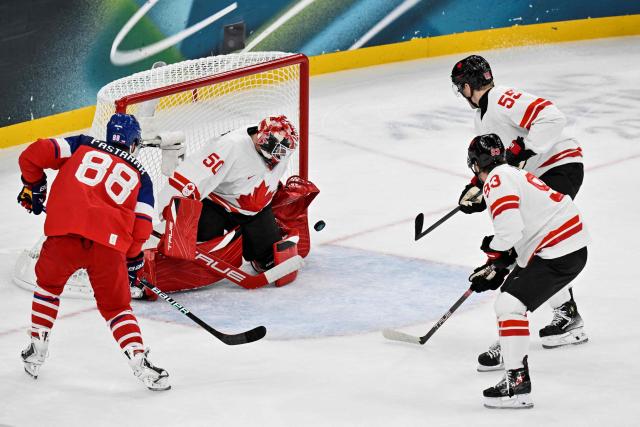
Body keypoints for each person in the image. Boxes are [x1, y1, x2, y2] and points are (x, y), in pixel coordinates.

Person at [451, 55, 587, 370]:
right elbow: (497, 160)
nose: (461, 93)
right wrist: (477, 186)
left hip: (558, 167)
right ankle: (560, 315)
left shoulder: (500, 99)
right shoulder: (482, 118)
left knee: (529, 243)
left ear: (469, 86)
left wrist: (527, 150)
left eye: (461, 88)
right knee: (532, 244)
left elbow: (552, 117)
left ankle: (518, 321)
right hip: (539, 176)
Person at [17, 113, 170, 391]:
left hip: (63, 236)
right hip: (108, 248)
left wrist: (35, 186)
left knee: (48, 287)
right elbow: (141, 230)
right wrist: (133, 260)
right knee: (116, 308)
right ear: (134, 144)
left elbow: (32, 155)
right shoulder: (143, 177)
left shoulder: (81, 144)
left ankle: (37, 346)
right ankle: (139, 360)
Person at [465, 134, 589, 408]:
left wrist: (495, 255)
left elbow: (508, 232)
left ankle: (517, 386)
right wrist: (499, 264)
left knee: (509, 305)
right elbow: (521, 232)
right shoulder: (510, 172)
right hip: (561, 245)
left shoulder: (496, 180)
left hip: (558, 250)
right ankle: (509, 350)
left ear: (475, 165)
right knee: (510, 292)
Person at [140, 115, 303, 295]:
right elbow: (191, 176)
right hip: (216, 204)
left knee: (268, 259)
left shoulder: (278, 148)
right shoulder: (230, 146)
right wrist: (173, 216)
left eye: (283, 151)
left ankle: (249, 242)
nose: (279, 155)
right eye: (276, 148)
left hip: (254, 211)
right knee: (203, 241)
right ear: (262, 138)